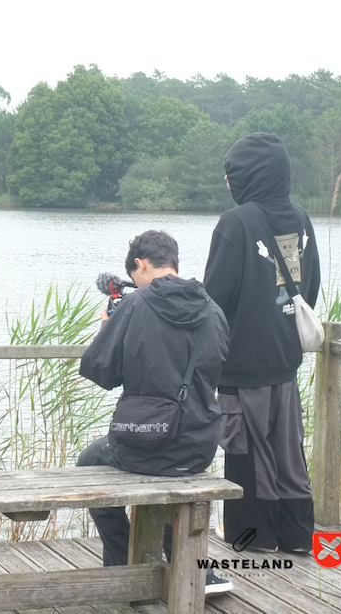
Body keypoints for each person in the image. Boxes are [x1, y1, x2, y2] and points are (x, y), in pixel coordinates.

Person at [77, 230, 233, 596]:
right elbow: (216, 370)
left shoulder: (135, 305)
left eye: (134, 277)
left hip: (143, 443)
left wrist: (106, 326)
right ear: (174, 263)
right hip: (197, 446)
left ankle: (123, 563)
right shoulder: (214, 311)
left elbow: (101, 372)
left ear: (140, 264)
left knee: (88, 463)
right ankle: (182, 561)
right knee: (169, 477)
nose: (135, 283)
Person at [203, 132, 320, 554]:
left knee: (247, 451)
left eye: (231, 175)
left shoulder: (236, 223)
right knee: (288, 451)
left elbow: (214, 299)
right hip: (285, 360)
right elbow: (311, 287)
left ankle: (254, 539)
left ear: (249, 176)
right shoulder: (301, 219)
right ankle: (297, 537)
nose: (228, 183)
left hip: (242, 362)